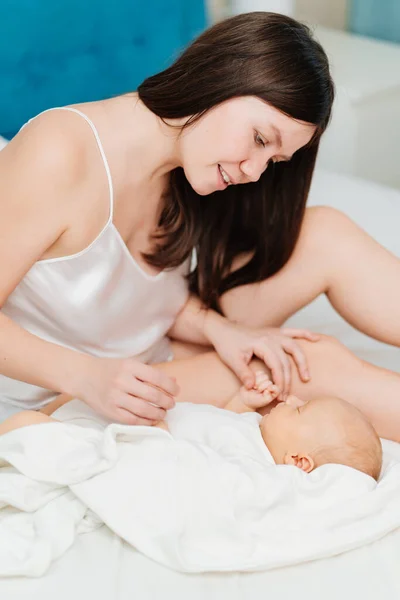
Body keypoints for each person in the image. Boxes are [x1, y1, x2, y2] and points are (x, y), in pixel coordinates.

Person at [0, 12, 400, 439]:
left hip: (144, 350)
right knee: (307, 363)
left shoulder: (183, 165)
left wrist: (220, 328)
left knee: (326, 235)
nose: (255, 172)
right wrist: (86, 377)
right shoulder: (61, 152)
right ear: (221, 77)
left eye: (274, 161)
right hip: (61, 396)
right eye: (261, 139)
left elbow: (140, 291)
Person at [0, 367, 382, 483]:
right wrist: (242, 403)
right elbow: (220, 422)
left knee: (26, 425)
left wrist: (158, 437)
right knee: (60, 407)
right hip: (121, 418)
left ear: (298, 461)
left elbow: (199, 469)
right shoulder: (253, 429)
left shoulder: (252, 466)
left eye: (301, 411)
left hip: (132, 442)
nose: (293, 399)